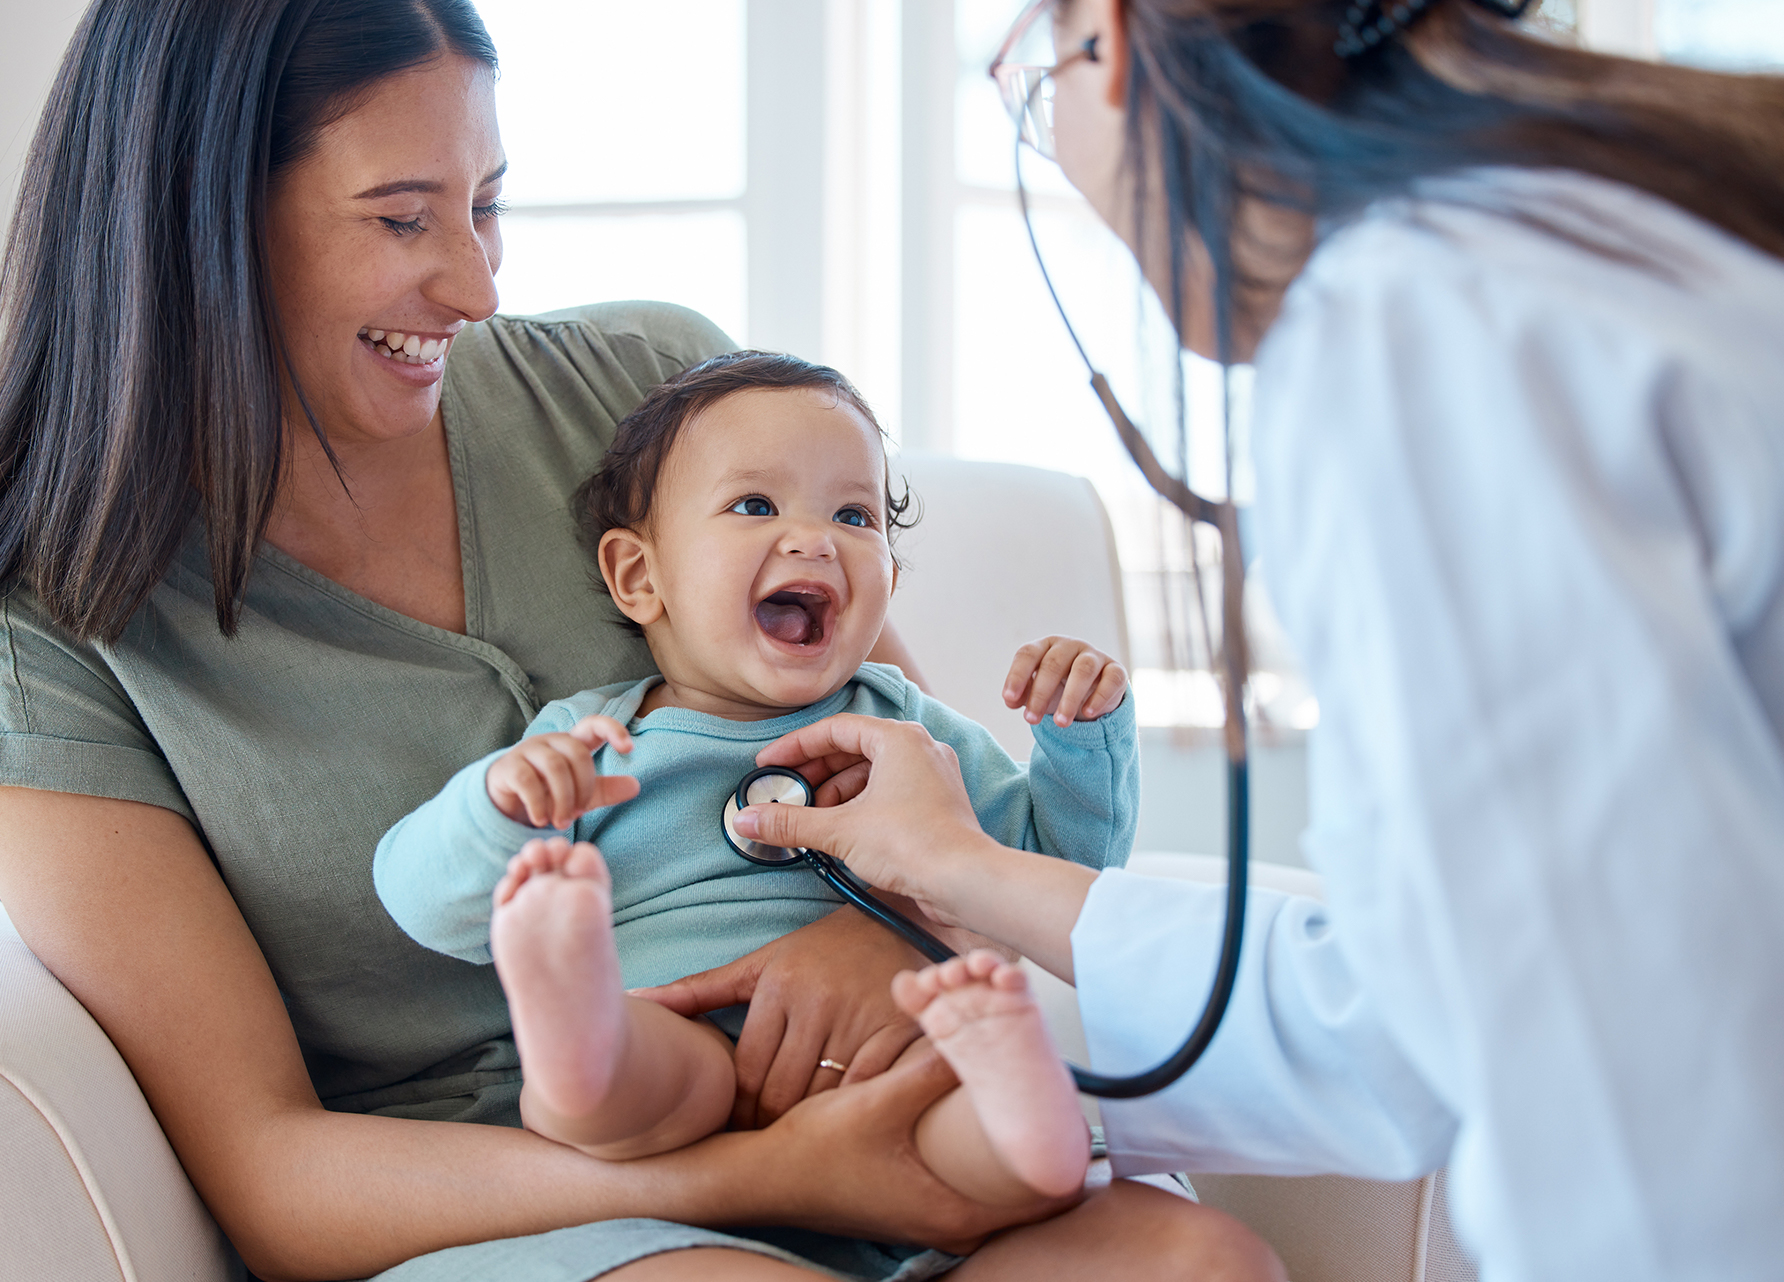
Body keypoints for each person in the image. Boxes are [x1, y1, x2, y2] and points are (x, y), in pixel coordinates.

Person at [0, 1, 1283, 1279]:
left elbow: (892, 773)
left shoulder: (648, 393)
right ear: (201, 225)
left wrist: (875, 944)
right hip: (525, 1204)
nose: (474, 284)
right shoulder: (35, 626)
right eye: (403, 220)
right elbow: (272, 1169)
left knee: (1199, 1261)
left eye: (488, 204)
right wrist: (752, 1176)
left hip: (866, 1105)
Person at [723, 2, 1784, 1280]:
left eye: (1038, 85)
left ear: (1111, 43)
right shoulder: (1624, 224)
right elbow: (1439, 1002)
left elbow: (1607, 1088)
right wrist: (956, 869)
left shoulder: (1423, 328)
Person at [373, 351, 1130, 1205]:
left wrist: (1078, 739)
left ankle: (1021, 1099)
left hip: (894, 1047)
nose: (814, 538)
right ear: (640, 577)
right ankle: (577, 1020)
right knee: (610, 1090)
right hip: (678, 1034)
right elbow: (422, 902)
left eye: (855, 514)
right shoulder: (593, 743)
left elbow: (1052, 871)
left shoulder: (907, 729)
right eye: (755, 505)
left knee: (996, 1158)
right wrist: (498, 808)